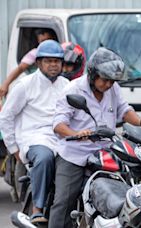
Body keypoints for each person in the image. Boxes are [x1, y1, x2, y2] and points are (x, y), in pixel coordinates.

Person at [49, 47, 141, 228]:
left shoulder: (113, 89)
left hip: (105, 153)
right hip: (75, 154)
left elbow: (125, 111)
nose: (108, 85)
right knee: (63, 202)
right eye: (105, 80)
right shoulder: (73, 89)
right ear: (93, 74)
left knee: (124, 194)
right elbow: (58, 124)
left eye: (112, 81)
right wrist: (76, 134)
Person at [0, 40, 69, 224]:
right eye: (48, 61)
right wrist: (14, 149)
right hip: (34, 138)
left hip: (62, 139)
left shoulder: (66, 85)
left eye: (57, 61)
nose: (53, 65)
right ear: (38, 63)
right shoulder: (25, 85)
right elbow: (6, 117)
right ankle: (37, 209)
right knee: (45, 157)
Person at [0, 28, 57, 98]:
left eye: (56, 61)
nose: (53, 64)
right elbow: (20, 68)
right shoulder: (35, 53)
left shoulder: (60, 51)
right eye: (42, 41)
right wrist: (5, 84)